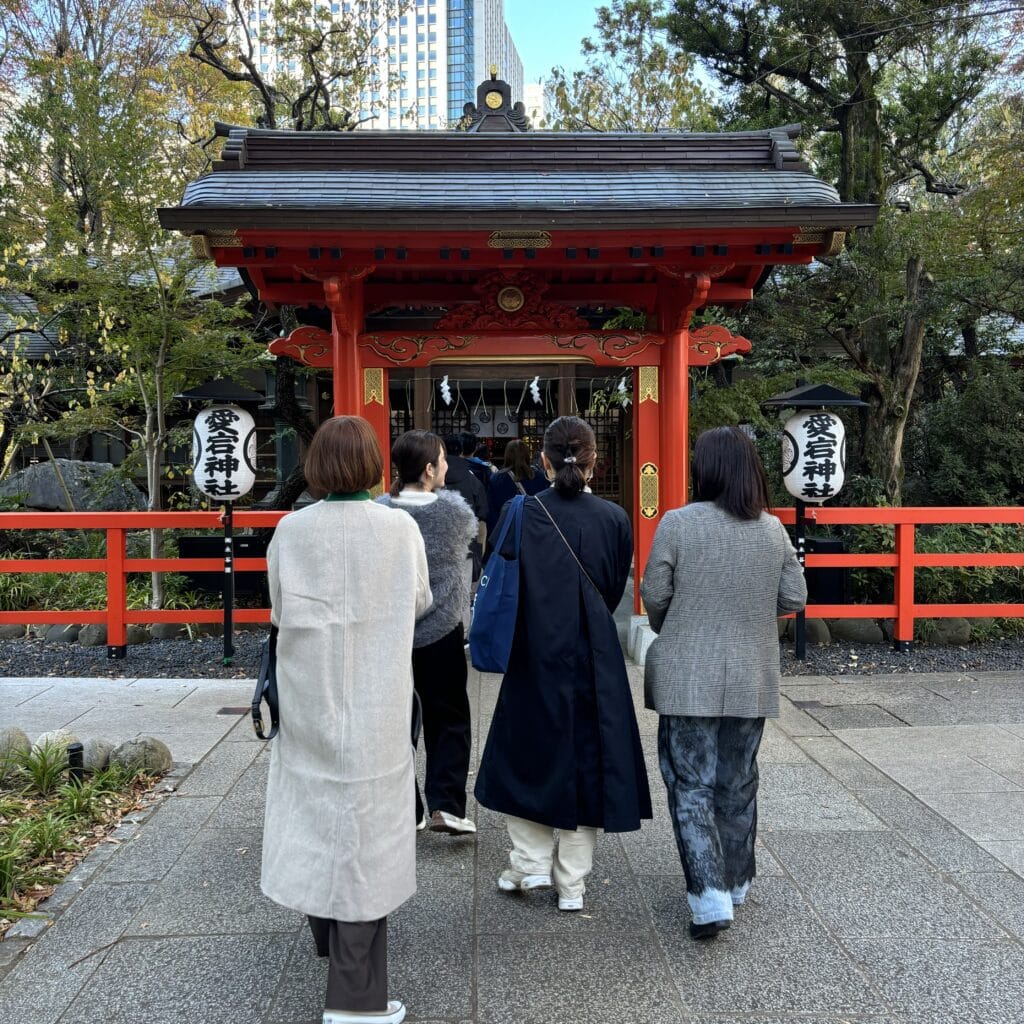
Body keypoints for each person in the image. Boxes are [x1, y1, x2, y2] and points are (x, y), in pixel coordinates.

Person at [262, 416, 431, 1024]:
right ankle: (355, 998)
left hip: (309, 699)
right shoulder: (397, 528)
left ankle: (326, 938)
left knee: (314, 813)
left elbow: (280, 607)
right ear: (372, 466)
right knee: (368, 834)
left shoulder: (290, 530)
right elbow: (419, 601)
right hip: (377, 700)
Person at [475, 415, 652, 912]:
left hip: (534, 649)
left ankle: (529, 863)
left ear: (543, 461)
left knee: (526, 754)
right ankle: (572, 884)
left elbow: (500, 576)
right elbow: (614, 587)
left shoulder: (520, 511)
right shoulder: (615, 519)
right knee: (592, 760)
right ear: (595, 461)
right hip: (597, 654)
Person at [640, 426, 807, 941]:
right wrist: (752, 613)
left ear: (704, 469)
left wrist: (679, 622)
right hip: (751, 673)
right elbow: (794, 597)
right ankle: (736, 881)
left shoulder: (678, 523)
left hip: (688, 673)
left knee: (691, 785)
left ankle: (709, 896)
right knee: (738, 781)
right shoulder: (773, 530)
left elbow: (654, 592)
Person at [378, 430, 478, 835]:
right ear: (430, 469)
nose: (448, 467)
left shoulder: (382, 510)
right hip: (441, 629)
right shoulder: (453, 513)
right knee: (449, 716)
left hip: (393, 630)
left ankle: (409, 808)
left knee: (398, 721)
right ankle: (446, 804)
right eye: (443, 460)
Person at [441, 433, 488, 582]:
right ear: (461, 452)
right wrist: (479, 553)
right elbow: (482, 521)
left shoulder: (431, 477)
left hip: (437, 550)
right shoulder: (473, 480)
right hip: (467, 549)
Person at [485, 439, 548, 541]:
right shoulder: (540, 477)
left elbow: (491, 514)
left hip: (505, 534)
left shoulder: (497, 479)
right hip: (533, 534)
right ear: (527, 455)